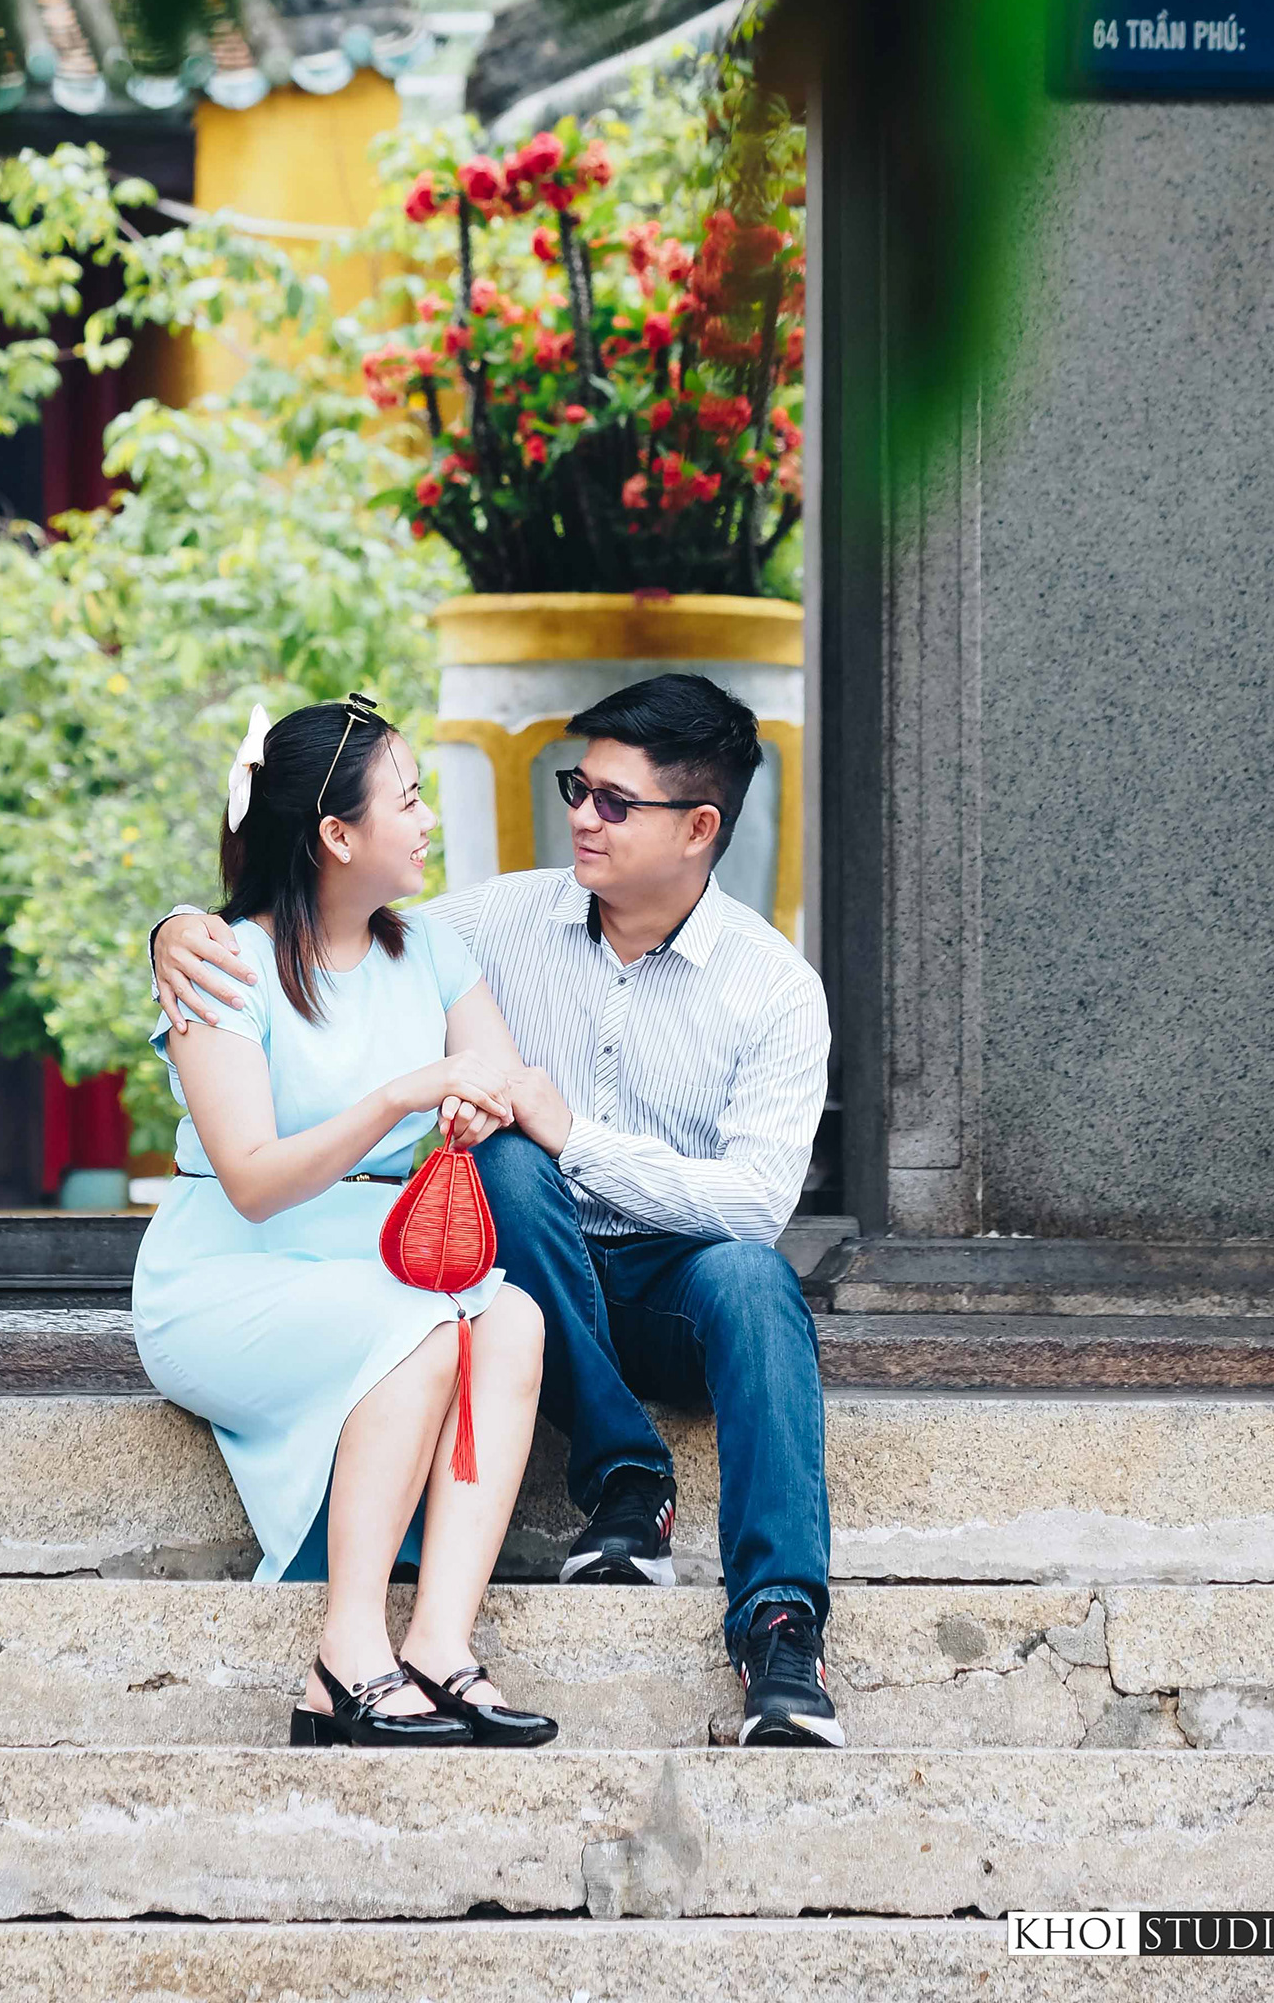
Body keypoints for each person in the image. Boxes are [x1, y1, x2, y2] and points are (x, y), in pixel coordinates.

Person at [153, 672, 840, 1749]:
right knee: (510, 1184)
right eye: (579, 787)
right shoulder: (492, 921)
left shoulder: (773, 988)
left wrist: (571, 1136)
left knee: (739, 1280)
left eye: (614, 802)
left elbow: (752, 1205)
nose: (581, 815)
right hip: (485, 1255)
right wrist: (176, 922)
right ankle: (612, 1494)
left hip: (661, 1283)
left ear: (699, 828)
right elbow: (306, 913)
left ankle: (781, 1634)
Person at [132, 693, 558, 1751]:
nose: (426, 822)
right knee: (416, 1331)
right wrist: (403, 1096)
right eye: (406, 802)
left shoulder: (430, 955)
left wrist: (474, 1098)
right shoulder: (223, 966)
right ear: (335, 835)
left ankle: (441, 1644)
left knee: (512, 1324)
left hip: (371, 1264)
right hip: (229, 1276)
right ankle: (345, 1656)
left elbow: (495, 1072)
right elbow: (255, 1181)